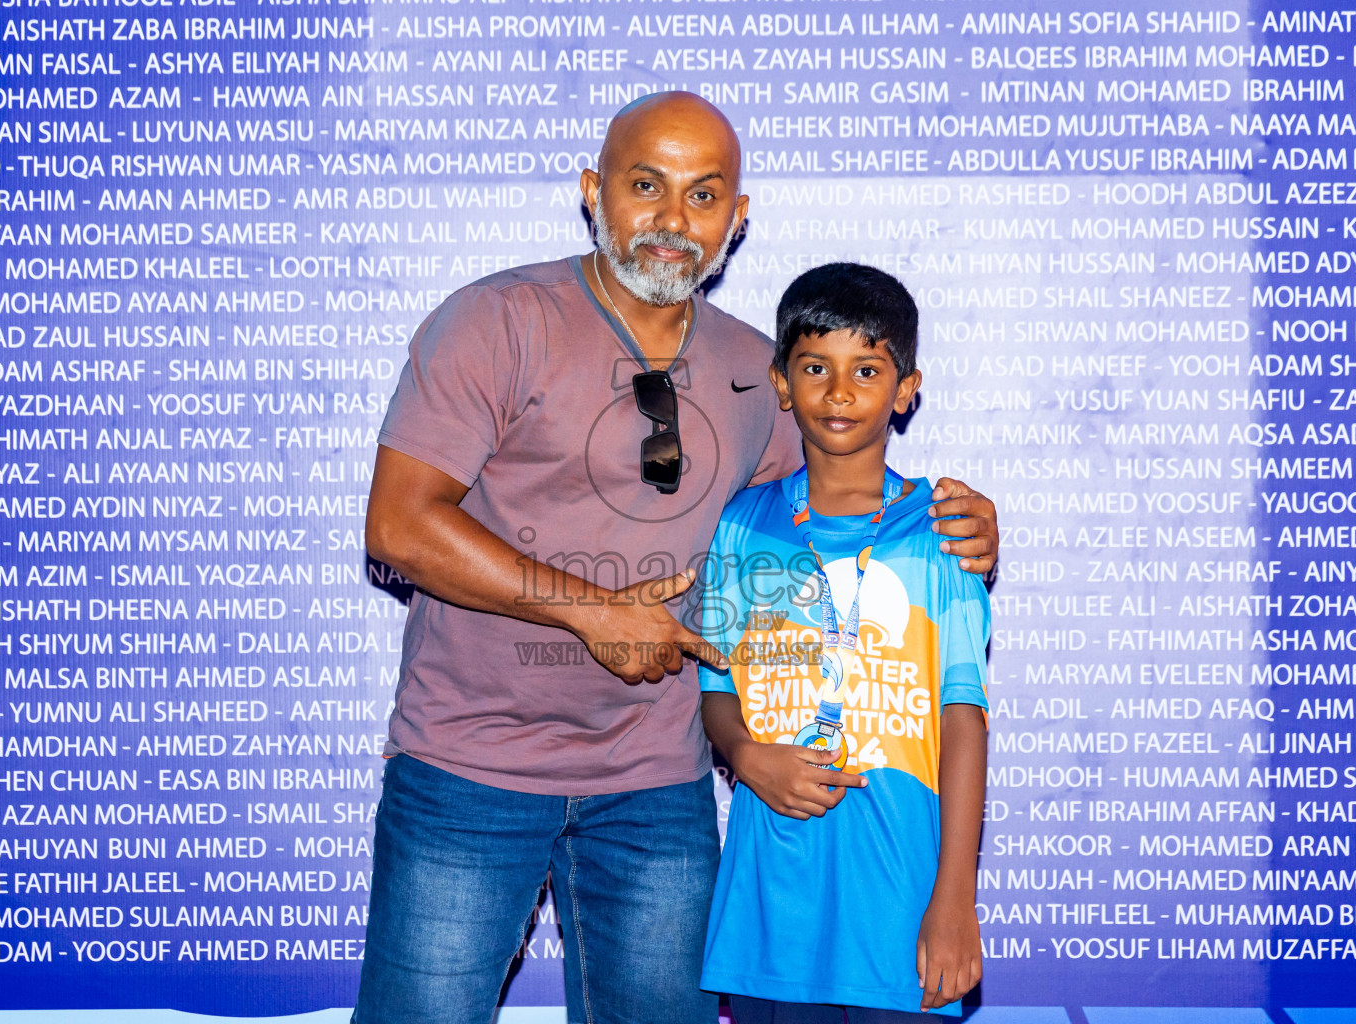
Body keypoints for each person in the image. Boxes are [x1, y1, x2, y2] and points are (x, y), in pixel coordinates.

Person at [356, 93, 1000, 1024]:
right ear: (594, 194)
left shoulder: (763, 377)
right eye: (646, 186)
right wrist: (592, 610)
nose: (672, 220)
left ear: (736, 221)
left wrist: (964, 521)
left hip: (659, 784)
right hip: (469, 772)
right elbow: (400, 527)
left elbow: (837, 521)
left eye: (703, 196)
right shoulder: (496, 320)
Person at [697, 263, 988, 1022]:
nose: (839, 391)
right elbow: (718, 687)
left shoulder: (940, 534)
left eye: (867, 370)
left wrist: (955, 898)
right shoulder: (742, 525)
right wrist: (747, 756)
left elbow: (963, 715)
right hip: (772, 909)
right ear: (782, 383)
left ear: (906, 388)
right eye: (815, 368)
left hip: (900, 907)